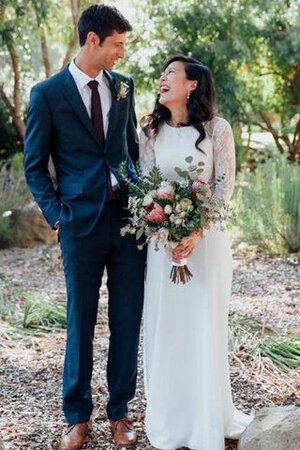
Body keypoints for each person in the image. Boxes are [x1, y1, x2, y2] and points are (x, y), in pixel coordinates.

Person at [24, 4, 146, 449]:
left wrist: (148, 202)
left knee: (127, 319)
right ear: (92, 40)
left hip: (128, 221)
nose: (122, 52)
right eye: (117, 43)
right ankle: (76, 417)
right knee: (80, 320)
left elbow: (130, 149)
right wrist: (57, 215)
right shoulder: (48, 94)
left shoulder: (125, 88)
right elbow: (35, 167)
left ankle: (120, 414)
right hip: (78, 223)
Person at [139, 55, 253, 450]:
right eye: (162, 72)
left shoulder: (218, 129)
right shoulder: (150, 132)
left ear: (192, 84)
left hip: (207, 246)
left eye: (170, 72)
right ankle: (170, 419)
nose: (161, 78)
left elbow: (223, 188)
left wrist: (196, 231)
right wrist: (166, 230)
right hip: (162, 247)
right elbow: (145, 189)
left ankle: (207, 418)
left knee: (203, 327)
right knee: (166, 326)